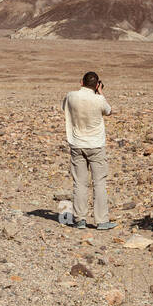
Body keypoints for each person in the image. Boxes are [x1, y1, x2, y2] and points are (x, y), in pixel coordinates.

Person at [61, 71, 117, 230]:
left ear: (81, 82)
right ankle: (102, 220)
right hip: (96, 145)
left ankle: (80, 219)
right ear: (97, 85)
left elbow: (63, 107)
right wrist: (100, 93)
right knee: (99, 183)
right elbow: (109, 111)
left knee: (79, 182)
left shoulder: (71, 96)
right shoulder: (99, 99)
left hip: (77, 143)